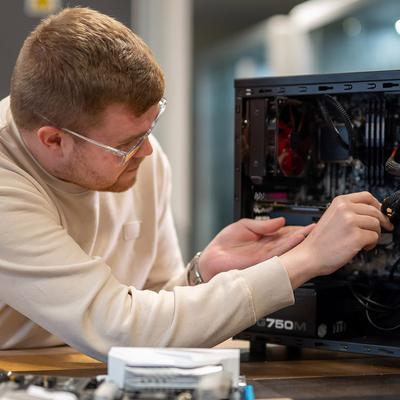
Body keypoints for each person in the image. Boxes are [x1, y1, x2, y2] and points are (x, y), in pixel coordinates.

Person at [0, 7, 392, 362]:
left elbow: (155, 303)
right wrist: (304, 261)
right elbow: (125, 327)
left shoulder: (138, 161)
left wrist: (201, 272)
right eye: (125, 145)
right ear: (53, 140)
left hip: (94, 370)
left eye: (149, 129)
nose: (147, 153)